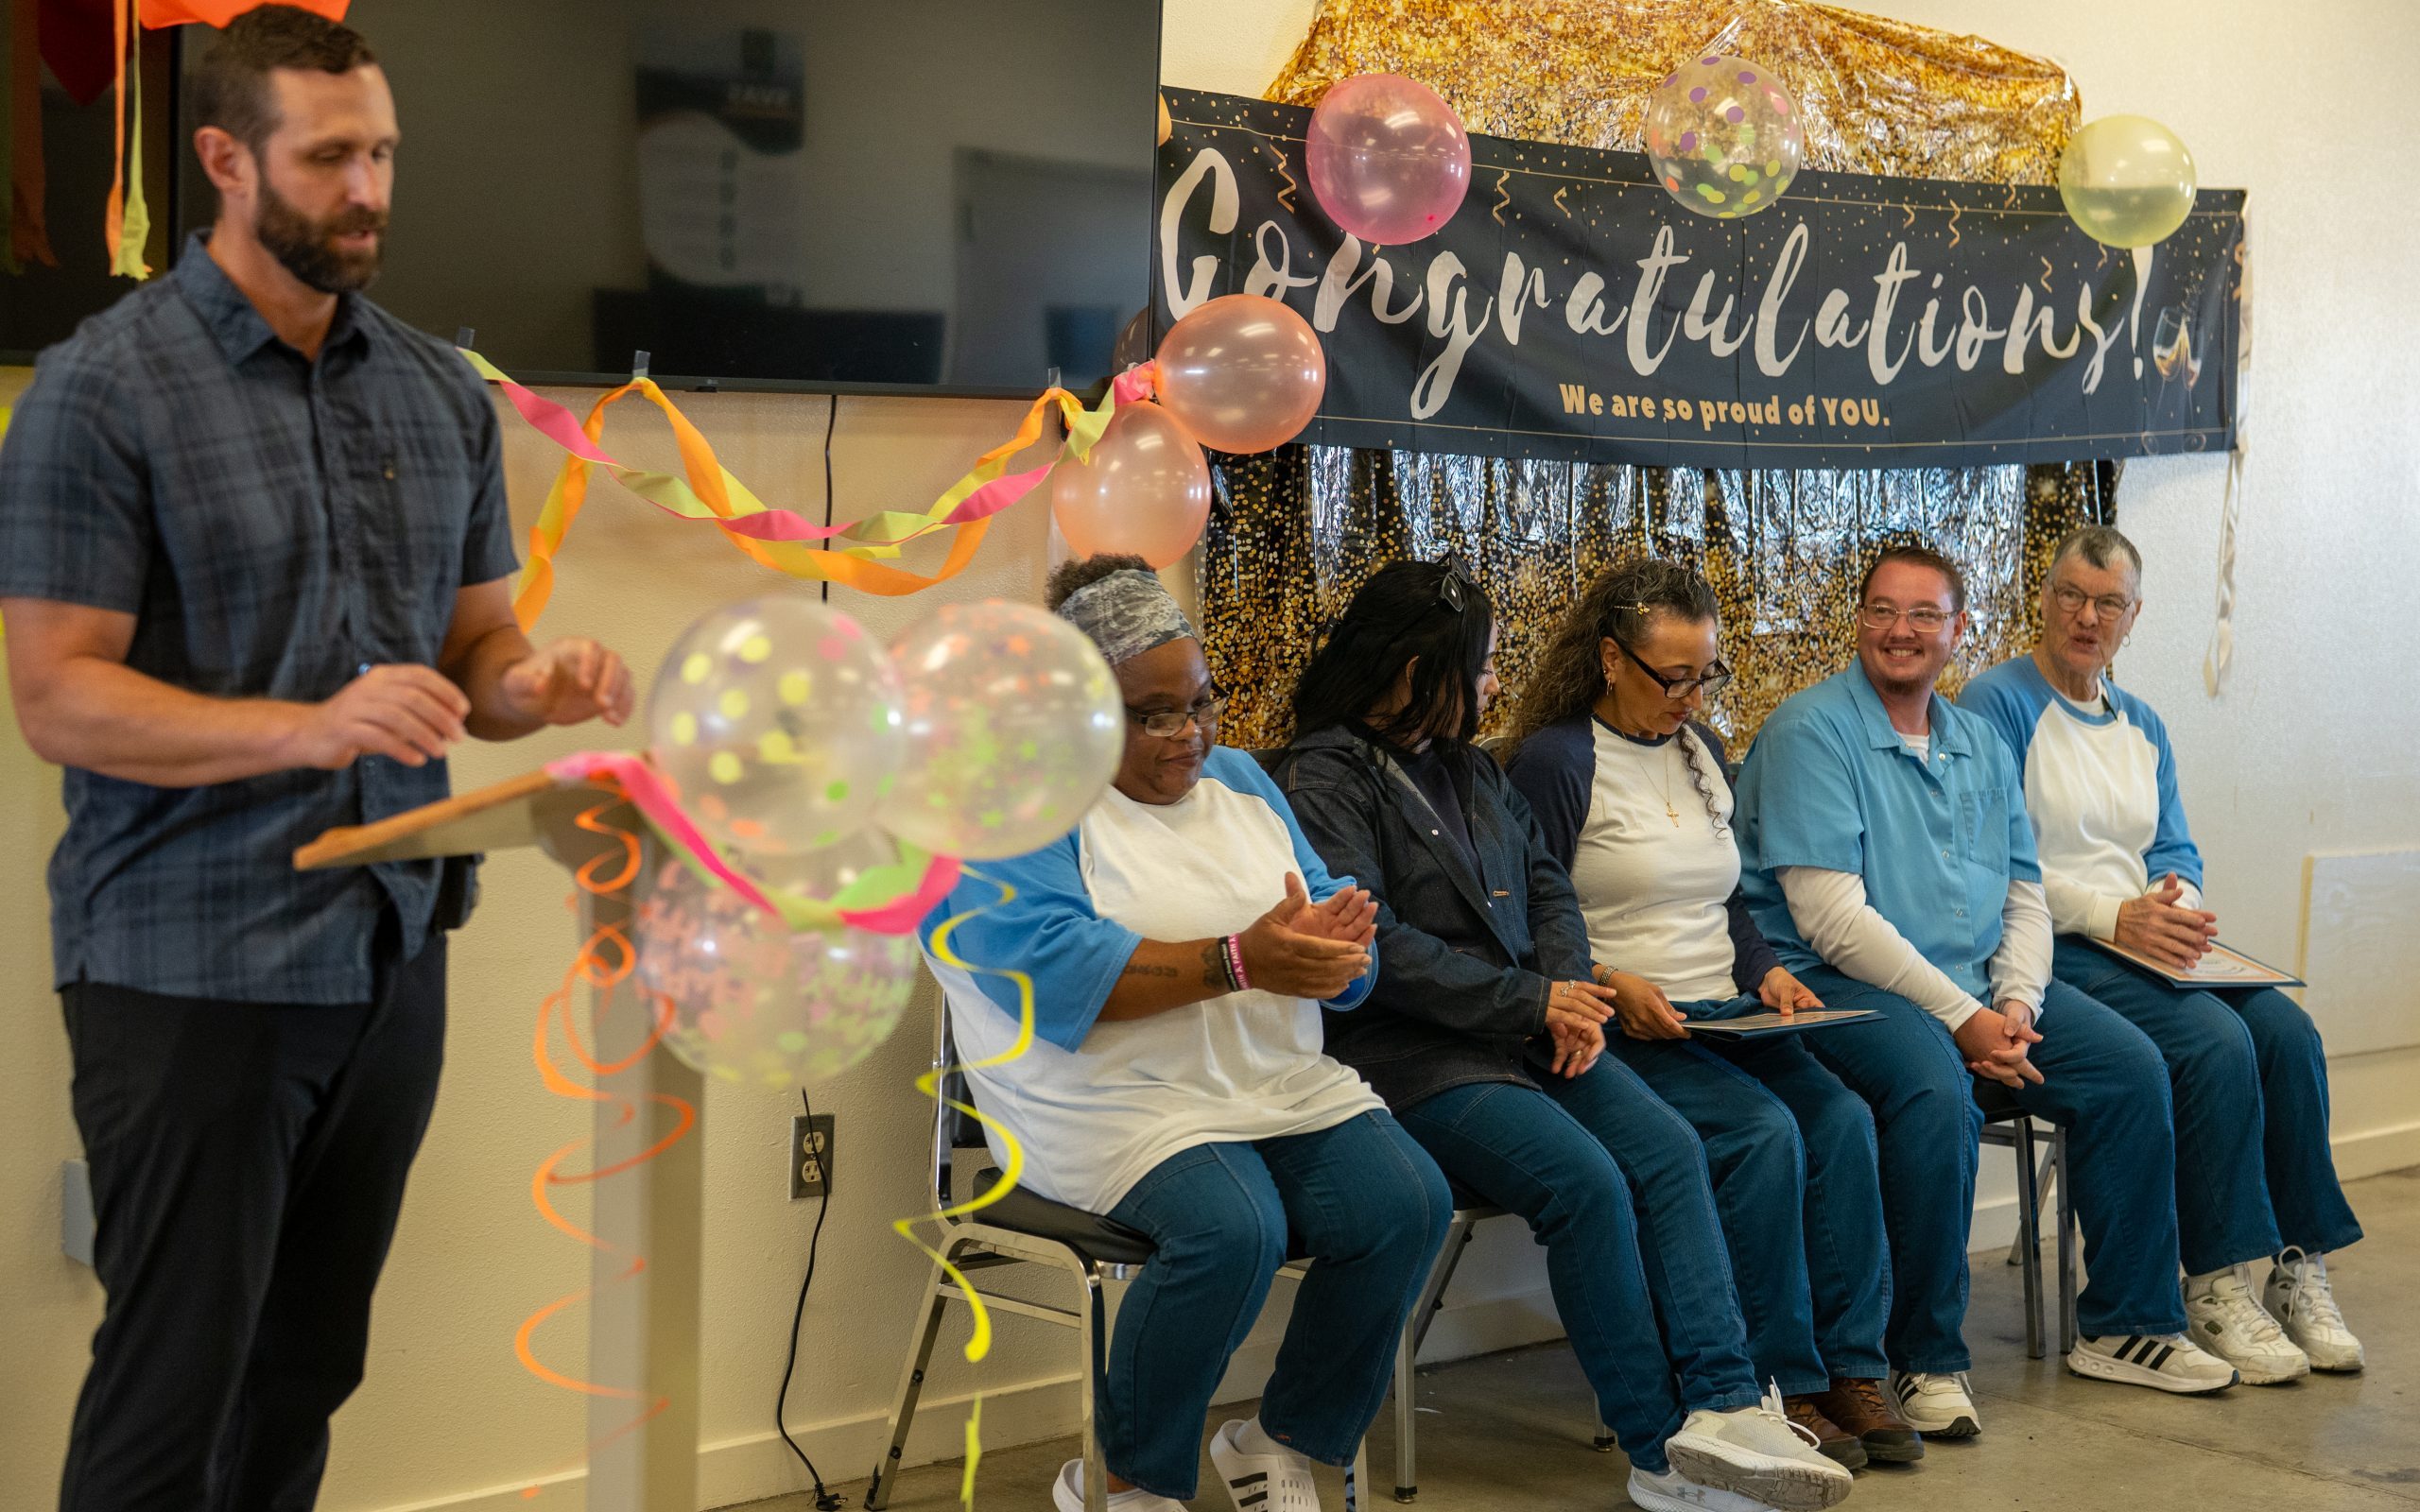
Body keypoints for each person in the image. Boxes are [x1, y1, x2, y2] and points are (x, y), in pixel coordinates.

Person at [0, 10, 635, 1509]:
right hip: (186, 965)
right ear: (224, 160)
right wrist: (314, 726)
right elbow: (59, 697)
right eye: (332, 155)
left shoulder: (435, 389)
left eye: (386, 154)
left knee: (302, 1379)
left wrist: (538, 684)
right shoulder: (103, 390)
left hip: (387, 957)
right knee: (173, 1392)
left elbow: (480, 657)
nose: (370, 189)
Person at [1274, 560, 1853, 1512]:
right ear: (1418, 671)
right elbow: (1375, 941)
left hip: (1527, 1026)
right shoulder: (1321, 773)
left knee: (1666, 1148)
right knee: (1585, 1183)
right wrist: (1533, 1002)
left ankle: (1720, 1409)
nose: (1497, 684)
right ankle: (1657, 1453)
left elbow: (1547, 884)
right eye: (1483, 666)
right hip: (1410, 1056)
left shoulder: (1467, 765)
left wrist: (1566, 993)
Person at [917, 556, 1452, 1512]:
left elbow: (1320, 910)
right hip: (1099, 1100)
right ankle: (1124, 1476)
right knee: (1230, 1226)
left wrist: (1339, 949)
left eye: (1200, 702)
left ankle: (1275, 1439)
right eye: (1152, 714)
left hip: (1263, 1084)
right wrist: (1241, 962)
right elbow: (1056, 967)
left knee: (1405, 1200)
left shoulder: (1243, 779)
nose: (1189, 734)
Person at [1733, 543, 2239, 1432]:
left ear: (1958, 630)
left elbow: (2023, 892)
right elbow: (1831, 919)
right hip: (1832, 983)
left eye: (1926, 615)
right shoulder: (1809, 732)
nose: (1903, 632)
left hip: (1973, 987)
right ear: (1859, 621)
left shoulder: (1972, 737)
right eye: (1884, 611)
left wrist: (2015, 1004)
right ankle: (1924, 1358)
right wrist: (1965, 1018)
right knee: (1934, 1084)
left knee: (2129, 1064)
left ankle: (2127, 1325)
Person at [1503, 560, 1912, 1470]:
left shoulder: (1702, 751)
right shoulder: (1558, 760)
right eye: (1672, 677)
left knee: (1842, 1120)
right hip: (1625, 1022)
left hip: (1723, 1013)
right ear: (1611, 660)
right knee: (1762, 1135)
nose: (1691, 697)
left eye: (1705, 675)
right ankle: (1775, 1385)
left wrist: (1768, 974)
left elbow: (1726, 903)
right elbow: (1521, 919)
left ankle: (1850, 1368)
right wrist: (1612, 983)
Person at [1961, 524, 2363, 1379]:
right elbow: (1992, 862)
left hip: (2140, 946)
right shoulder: (1995, 704)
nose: (2086, 616)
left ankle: (2297, 1266)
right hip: (2054, 945)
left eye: (2109, 603)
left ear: (2134, 617)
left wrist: (2174, 909)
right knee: (2215, 1044)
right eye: (2072, 595)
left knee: (2286, 1035)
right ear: (2044, 597)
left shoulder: (2142, 724)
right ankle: (2214, 1284)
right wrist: (2113, 915)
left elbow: (2174, 850)